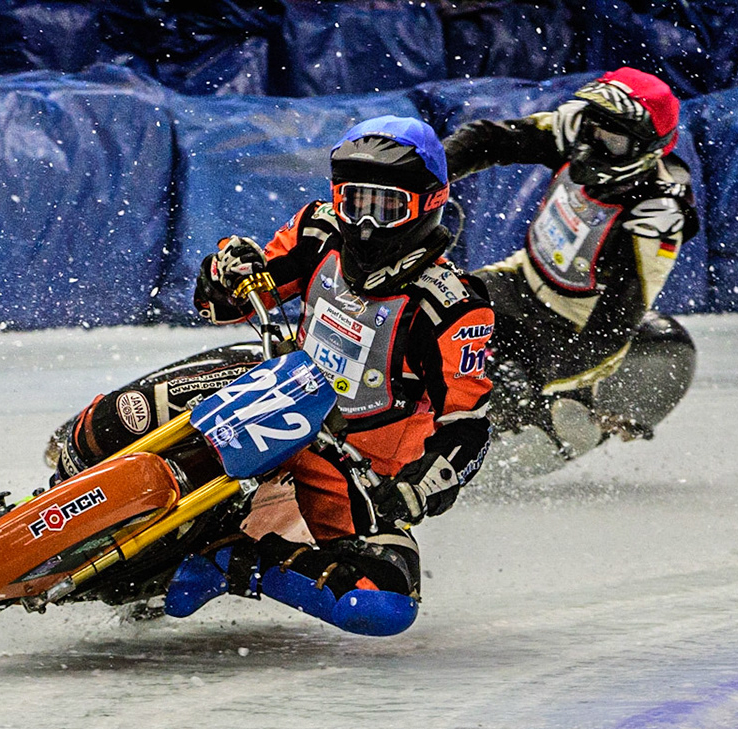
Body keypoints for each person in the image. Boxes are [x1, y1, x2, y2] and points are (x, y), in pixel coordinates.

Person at [49, 116, 495, 636]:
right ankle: (68, 473)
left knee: (381, 603)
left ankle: (230, 563)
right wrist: (227, 271)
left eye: (387, 207)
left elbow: (468, 426)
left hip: (348, 461)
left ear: (429, 203)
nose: (367, 225)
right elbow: (228, 301)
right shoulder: (319, 229)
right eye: (356, 202)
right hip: (270, 389)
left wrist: (413, 492)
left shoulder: (454, 307)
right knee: (131, 414)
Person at [443, 67, 700, 457]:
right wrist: (428, 174)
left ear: (648, 150)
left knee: (510, 386)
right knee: (439, 311)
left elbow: (614, 322)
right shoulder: (572, 131)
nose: (590, 146)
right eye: (592, 128)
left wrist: (549, 382)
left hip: (570, 322)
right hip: (518, 277)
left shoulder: (656, 214)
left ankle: (563, 409)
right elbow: (489, 140)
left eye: (611, 140)